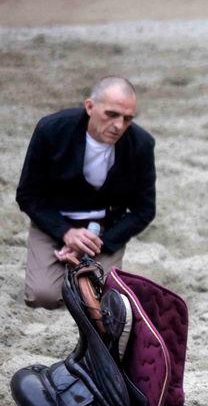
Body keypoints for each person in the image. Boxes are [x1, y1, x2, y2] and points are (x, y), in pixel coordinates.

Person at [16, 76, 156, 309]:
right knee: (43, 296)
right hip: (53, 223)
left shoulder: (141, 143)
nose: (119, 125)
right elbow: (28, 194)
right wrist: (65, 232)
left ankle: (81, 270)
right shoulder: (52, 129)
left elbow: (144, 209)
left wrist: (99, 243)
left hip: (104, 231)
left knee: (103, 299)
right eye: (111, 114)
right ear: (90, 107)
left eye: (127, 118)